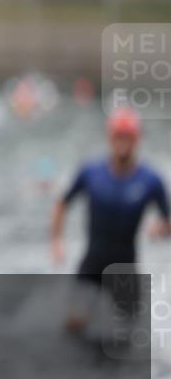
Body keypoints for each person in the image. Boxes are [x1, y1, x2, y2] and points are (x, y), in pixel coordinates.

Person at [51, 107, 170, 332]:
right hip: (91, 265)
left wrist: (161, 228)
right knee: (73, 328)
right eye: (119, 136)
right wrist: (56, 241)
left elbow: (168, 221)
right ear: (110, 138)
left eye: (128, 137)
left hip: (125, 269)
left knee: (128, 339)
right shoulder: (91, 172)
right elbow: (61, 203)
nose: (123, 142)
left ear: (137, 140)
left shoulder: (151, 180)